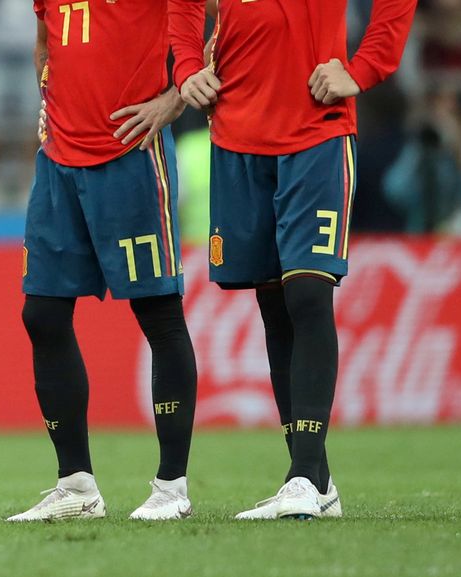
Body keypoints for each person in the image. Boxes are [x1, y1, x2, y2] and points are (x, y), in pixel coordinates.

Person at [170, 0, 416, 519]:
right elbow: (183, 5)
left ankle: (304, 476)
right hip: (236, 135)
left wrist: (364, 68)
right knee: (275, 305)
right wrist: (187, 66)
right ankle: (315, 480)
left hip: (315, 133)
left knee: (307, 293)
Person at [7, 0, 197, 522]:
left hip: (131, 153)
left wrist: (174, 98)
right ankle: (76, 485)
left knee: (158, 312)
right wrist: (51, 96)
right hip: (59, 160)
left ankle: (172, 486)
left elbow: (217, 22)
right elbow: (45, 38)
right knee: (42, 314)